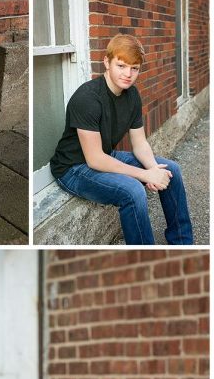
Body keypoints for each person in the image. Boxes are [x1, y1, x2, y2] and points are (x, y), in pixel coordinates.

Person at [49, 33, 192, 245]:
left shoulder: (132, 95)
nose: (128, 74)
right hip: (73, 168)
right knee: (133, 191)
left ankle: (182, 243)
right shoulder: (87, 98)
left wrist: (154, 170)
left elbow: (140, 143)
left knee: (172, 170)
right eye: (122, 65)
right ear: (107, 62)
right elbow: (95, 159)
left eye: (135, 68)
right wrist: (144, 174)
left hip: (104, 155)